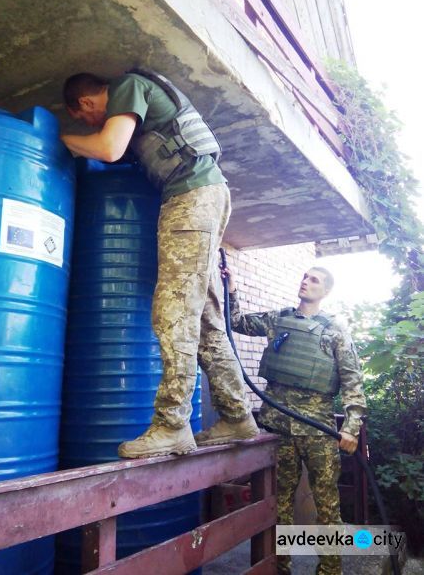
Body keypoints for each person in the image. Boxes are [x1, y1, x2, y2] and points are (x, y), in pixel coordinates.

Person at [61, 70, 258, 459]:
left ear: (85, 103)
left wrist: (64, 138)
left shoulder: (127, 86)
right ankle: (237, 415)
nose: (88, 124)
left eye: (83, 118)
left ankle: (172, 425)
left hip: (190, 198)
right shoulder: (140, 109)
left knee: (173, 312)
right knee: (204, 317)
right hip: (205, 194)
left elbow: (109, 148)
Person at [224, 264, 367, 575]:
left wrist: (351, 428)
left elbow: (353, 383)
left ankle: (330, 570)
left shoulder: (335, 331)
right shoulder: (278, 319)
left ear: (325, 291)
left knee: (327, 506)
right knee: (278, 504)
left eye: (314, 280)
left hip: (317, 432)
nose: (306, 282)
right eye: (304, 277)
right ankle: (279, 566)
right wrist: (232, 290)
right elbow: (236, 322)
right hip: (279, 429)